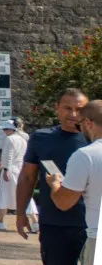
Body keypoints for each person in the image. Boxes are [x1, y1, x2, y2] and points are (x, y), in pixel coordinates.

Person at [18, 88, 89, 262]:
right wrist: (21, 213)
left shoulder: (95, 140)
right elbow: (28, 177)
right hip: (55, 223)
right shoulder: (41, 138)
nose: (73, 114)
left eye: (79, 109)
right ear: (56, 107)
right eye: (67, 108)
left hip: (92, 223)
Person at [47, 100, 102, 265]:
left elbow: (64, 202)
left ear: (88, 123)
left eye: (80, 126)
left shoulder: (86, 156)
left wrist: (55, 184)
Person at [0, 118, 37, 230]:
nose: (4, 131)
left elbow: (9, 155)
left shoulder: (10, 139)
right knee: (23, 196)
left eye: (6, 129)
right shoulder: (23, 139)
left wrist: (5, 169)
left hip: (11, 171)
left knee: (4, 194)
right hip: (20, 170)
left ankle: (1, 222)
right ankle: (35, 223)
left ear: (11, 129)